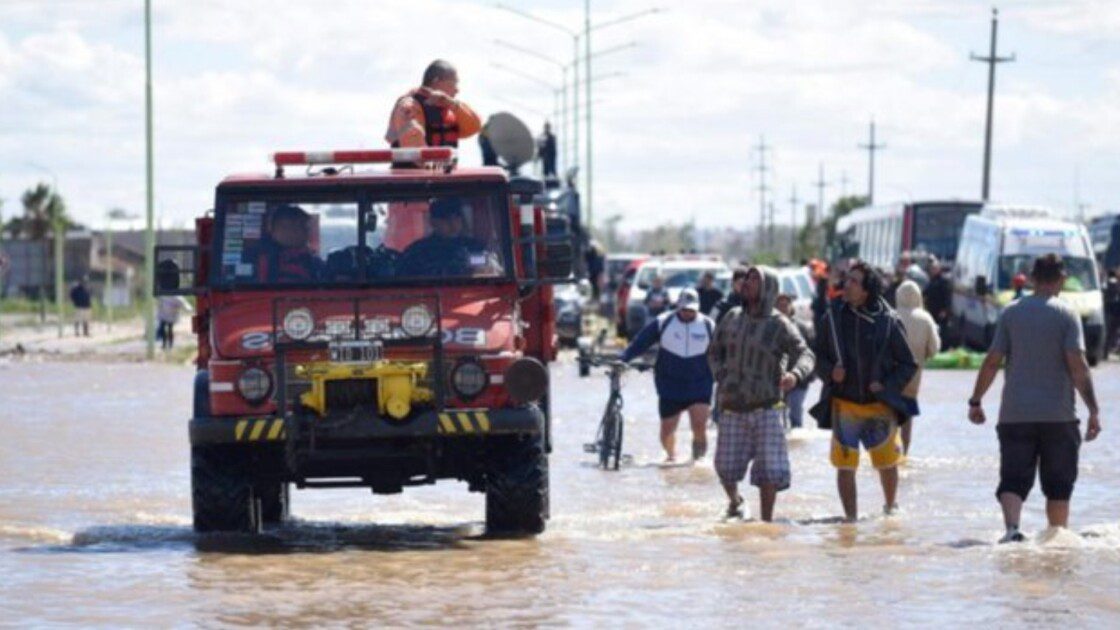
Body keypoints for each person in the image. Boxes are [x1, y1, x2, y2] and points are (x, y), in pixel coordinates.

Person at [967, 254, 1103, 543]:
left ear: (1031, 278)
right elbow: (1077, 365)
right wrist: (1093, 409)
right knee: (1058, 486)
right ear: (1062, 279)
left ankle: (1012, 530)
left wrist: (976, 400)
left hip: (1015, 415)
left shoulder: (1011, 312)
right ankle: (1057, 542)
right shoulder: (1066, 314)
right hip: (1059, 416)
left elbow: (992, 361)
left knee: (1012, 481)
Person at [708, 267, 815, 521]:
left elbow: (806, 354)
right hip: (732, 406)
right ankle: (735, 502)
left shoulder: (779, 324)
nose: (747, 283)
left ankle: (765, 522)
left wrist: (795, 375)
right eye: (746, 278)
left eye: (754, 279)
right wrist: (720, 375)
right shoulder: (732, 317)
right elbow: (713, 351)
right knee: (725, 469)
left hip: (767, 406)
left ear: (768, 288)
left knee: (769, 471)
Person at [813, 261, 917, 521]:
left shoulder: (889, 321)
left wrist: (887, 386)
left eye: (853, 282)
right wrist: (830, 373)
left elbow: (908, 364)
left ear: (867, 290)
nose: (846, 285)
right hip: (844, 404)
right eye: (846, 280)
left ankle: (891, 508)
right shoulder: (833, 318)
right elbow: (817, 358)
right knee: (845, 466)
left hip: (878, 405)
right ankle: (851, 520)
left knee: (887, 464)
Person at [621, 288, 715, 463]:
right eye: (684, 309)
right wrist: (624, 358)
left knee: (700, 426)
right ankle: (672, 457)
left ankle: (697, 462)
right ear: (678, 307)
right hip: (670, 385)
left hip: (699, 384)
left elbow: (723, 351)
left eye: (692, 310)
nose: (688, 313)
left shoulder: (709, 325)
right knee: (666, 432)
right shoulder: (663, 322)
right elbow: (640, 343)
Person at [385, 60, 481, 154]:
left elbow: (474, 127)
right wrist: (434, 167)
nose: (457, 89)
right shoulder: (410, 106)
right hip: (415, 169)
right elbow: (413, 145)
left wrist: (453, 104)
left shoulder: (449, 107)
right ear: (436, 81)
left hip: (442, 168)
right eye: (454, 83)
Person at [895, 280, 940, 455]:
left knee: (889, 421)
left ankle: (887, 460)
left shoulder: (891, 316)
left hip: (889, 381)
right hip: (912, 381)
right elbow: (934, 349)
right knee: (907, 422)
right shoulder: (925, 319)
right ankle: (904, 455)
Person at [397, 197, 494, 277]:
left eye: (456, 217)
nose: (453, 224)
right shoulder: (418, 251)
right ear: (433, 222)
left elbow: (488, 268)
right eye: (445, 219)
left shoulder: (474, 247)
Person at [775, 292, 815, 429]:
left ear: (791, 306)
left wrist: (809, 375)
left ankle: (797, 445)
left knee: (796, 415)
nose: (783, 308)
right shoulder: (769, 327)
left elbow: (811, 352)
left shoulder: (802, 327)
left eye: (785, 305)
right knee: (777, 418)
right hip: (776, 381)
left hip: (799, 379)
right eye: (779, 305)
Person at [256, 205, 323, 283]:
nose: (307, 233)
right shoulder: (269, 258)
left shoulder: (307, 256)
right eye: (303, 227)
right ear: (285, 228)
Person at [922, 260, 952, 349]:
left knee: (941, 332)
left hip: (940, 311)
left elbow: (947, 296)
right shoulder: (931, 280)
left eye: (935, 269)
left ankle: (943, 347)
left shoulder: (943, 281)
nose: (933, 270)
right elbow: (925, 292)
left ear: (939, 269)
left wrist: (945, 310)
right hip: (932, 310)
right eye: (932, 269)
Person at [1105, 268, 1120, 359]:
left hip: (1112, 311)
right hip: (1115, 311)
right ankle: (1107, 351)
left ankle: (1106, 351)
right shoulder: (1114, 283)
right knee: (1112, 331)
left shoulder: (1110, 283)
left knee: (1111, 332)